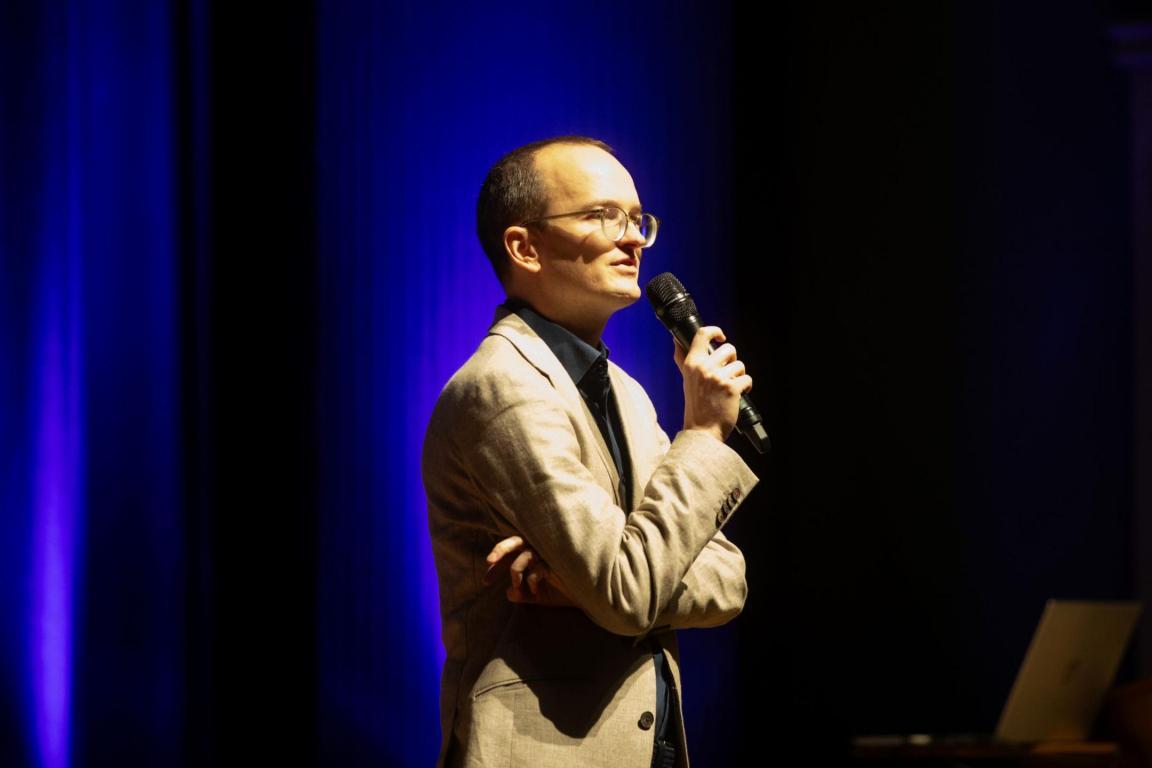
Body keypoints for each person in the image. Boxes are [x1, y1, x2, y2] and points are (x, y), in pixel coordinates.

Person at [423, 136, 758, 768]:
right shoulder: (503, 388)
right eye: (602, 216)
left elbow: (728, 578)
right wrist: (706, 436)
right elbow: (627, 591)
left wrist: (585, 586)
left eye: (637, 220)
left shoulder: (624, 393)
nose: (632, 238)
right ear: (524, 246)